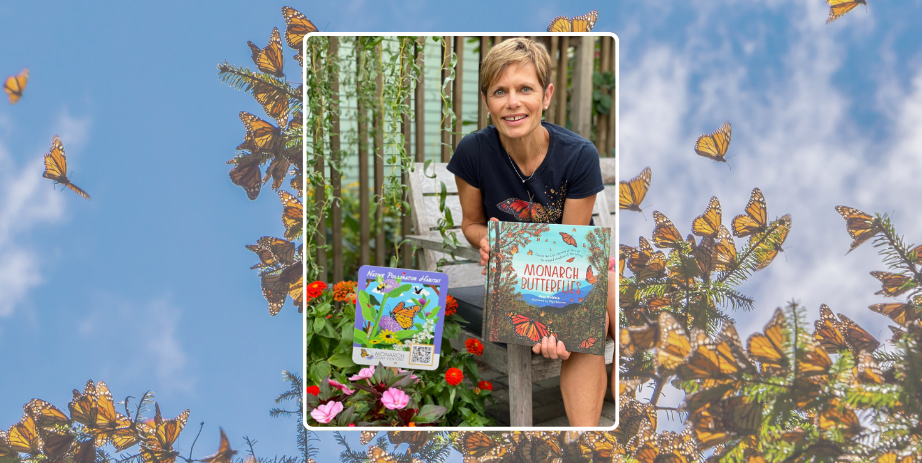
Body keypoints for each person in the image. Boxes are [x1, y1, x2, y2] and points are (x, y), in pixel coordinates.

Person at [447, 37, 618, 426]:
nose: (513, 102)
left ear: (546, 95)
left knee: (600, 305)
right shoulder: (473, 152)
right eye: (500, 91)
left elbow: (571, 251)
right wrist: (484, 239)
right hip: (514, 278)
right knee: (600, 309)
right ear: (487, 101)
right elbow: (472, 224)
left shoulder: (577, 155)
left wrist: (557, 316)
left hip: (572, 269)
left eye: (525, 88)